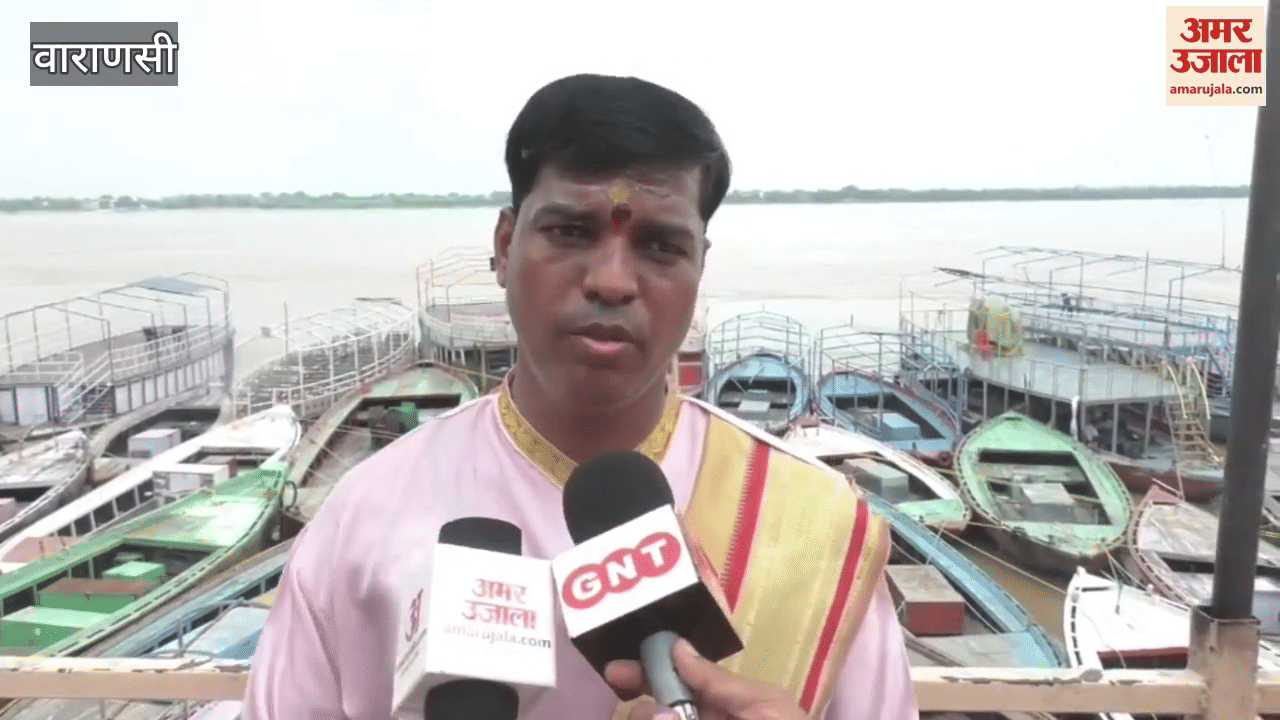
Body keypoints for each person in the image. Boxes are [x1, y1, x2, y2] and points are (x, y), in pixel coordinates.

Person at [242, 73, 919, 720]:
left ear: (699, 270)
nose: (612, 281)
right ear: (506, 246)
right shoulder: (364, 516)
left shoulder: (817, 527)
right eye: (571, 231)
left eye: (660, 245)